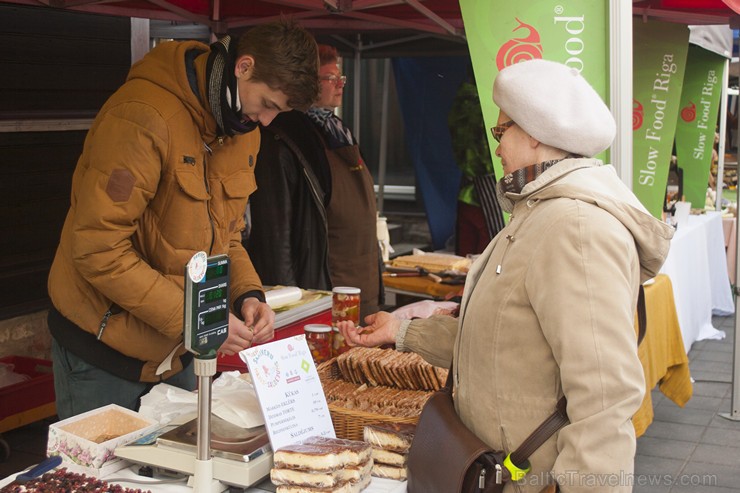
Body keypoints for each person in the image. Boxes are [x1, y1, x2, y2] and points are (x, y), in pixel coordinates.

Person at [338, 59, 674, 492]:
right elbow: (498, 340)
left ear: (533, 133)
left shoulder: (575, 227)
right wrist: (402, 333)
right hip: (501, 471)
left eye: (502, 131)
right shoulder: (538, 213)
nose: (496, 146)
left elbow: (605, 397)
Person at [46, 19, 320, 419]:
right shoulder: (141, 116)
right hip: (101, 355)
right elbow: (97, 248)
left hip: (179, 351)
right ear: (243, 67)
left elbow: (227, 237)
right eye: (268, 104)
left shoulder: (243, 131)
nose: (266, 121)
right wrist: (197, 319)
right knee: (101, 481)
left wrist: (248, 295)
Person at [246, 44, 382, 319]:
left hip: (363, 283)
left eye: (340, 78)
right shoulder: (285, 139)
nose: (339, 85)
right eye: (330, 79)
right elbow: (276, 233)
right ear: (307, 84)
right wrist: (289, 301)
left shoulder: (340, 131)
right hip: (324, 289)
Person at [448, 75, 505, 256]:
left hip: (467, 189)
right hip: (488, 187)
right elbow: (486, 149)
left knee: (464, 262)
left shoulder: (460, 101)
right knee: (489, 257)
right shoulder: (488, 106)